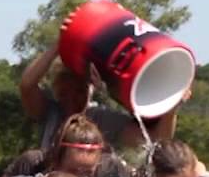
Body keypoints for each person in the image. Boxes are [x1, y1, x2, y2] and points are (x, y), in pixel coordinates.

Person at [19, 43, 182, 151]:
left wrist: (171, 108)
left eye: (80, 91)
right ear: (56, 91)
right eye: (64, 92)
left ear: (91, 90)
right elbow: (27, 85)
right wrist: (58, 46)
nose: (72, 99)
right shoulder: (50, 112)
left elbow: (155, 140)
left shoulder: (102, 118)